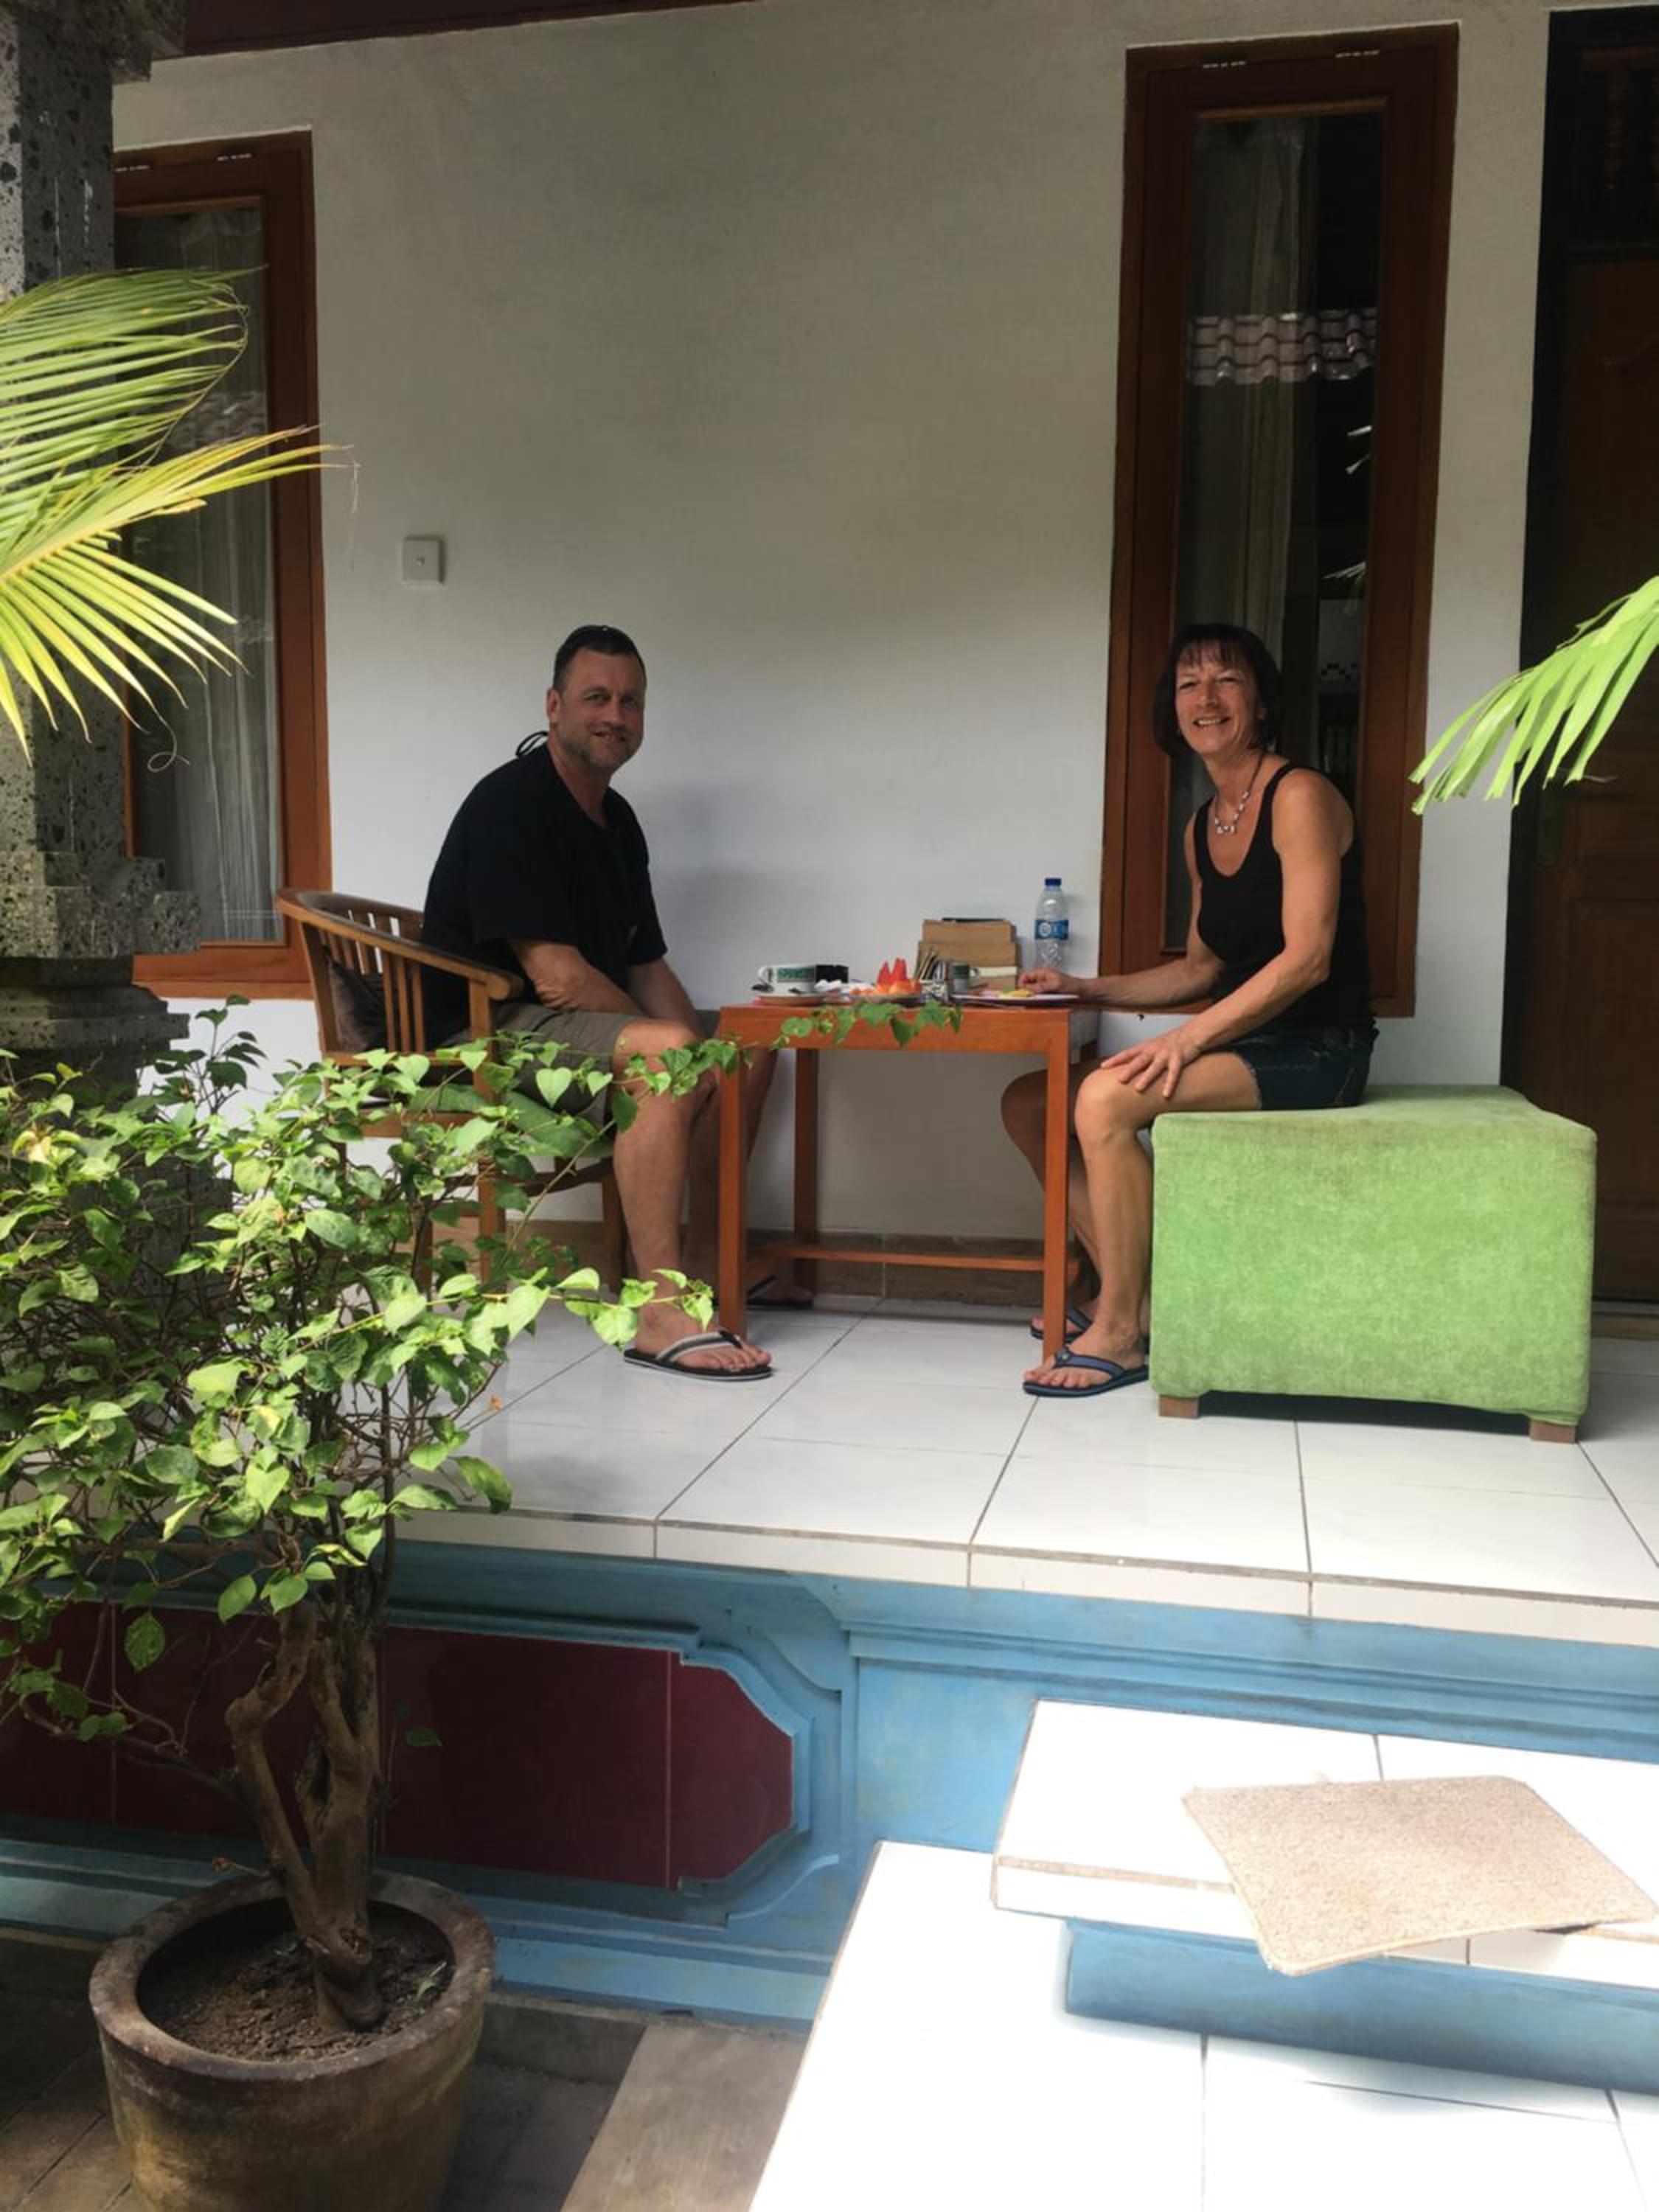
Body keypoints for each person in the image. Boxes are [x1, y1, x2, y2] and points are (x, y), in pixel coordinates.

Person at [1001, 622, 1375, 1399]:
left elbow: (1308, 958)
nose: (1206, 697)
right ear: (1171, 709)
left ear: (1262, 703)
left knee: (1104, 1099)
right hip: (1245, 1041)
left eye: (1227, 679)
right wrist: (1087, 988)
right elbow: (1201, 968)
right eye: (1188, 683)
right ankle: (1133, 1293)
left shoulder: (1298, 796)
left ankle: (1121, 1329)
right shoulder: (1203, 825)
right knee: (1032, 1102)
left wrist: (1186, 1042)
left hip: (1319, 1048)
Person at [421, 623, 785, 1382]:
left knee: (747, 1044)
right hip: (483, 1031)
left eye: (630, 701)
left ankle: (704, 1272)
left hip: (560, 1023)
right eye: (596, 697)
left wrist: (708, 1054)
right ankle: (657, 1310)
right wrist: (679, 1051)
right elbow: (556, 976)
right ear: (554, 706)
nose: (615, 715)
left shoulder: (617, 822)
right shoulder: (511, 803)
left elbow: (645, 963)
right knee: (671, 1054)